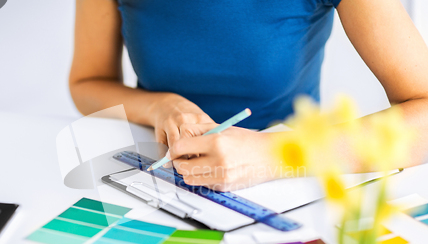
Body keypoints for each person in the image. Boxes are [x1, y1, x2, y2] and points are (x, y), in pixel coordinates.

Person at [69, 0, 428, 191]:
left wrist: (271, 156)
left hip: (294, 178)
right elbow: (87, 82)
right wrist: (160, 106)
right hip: (157, 175)